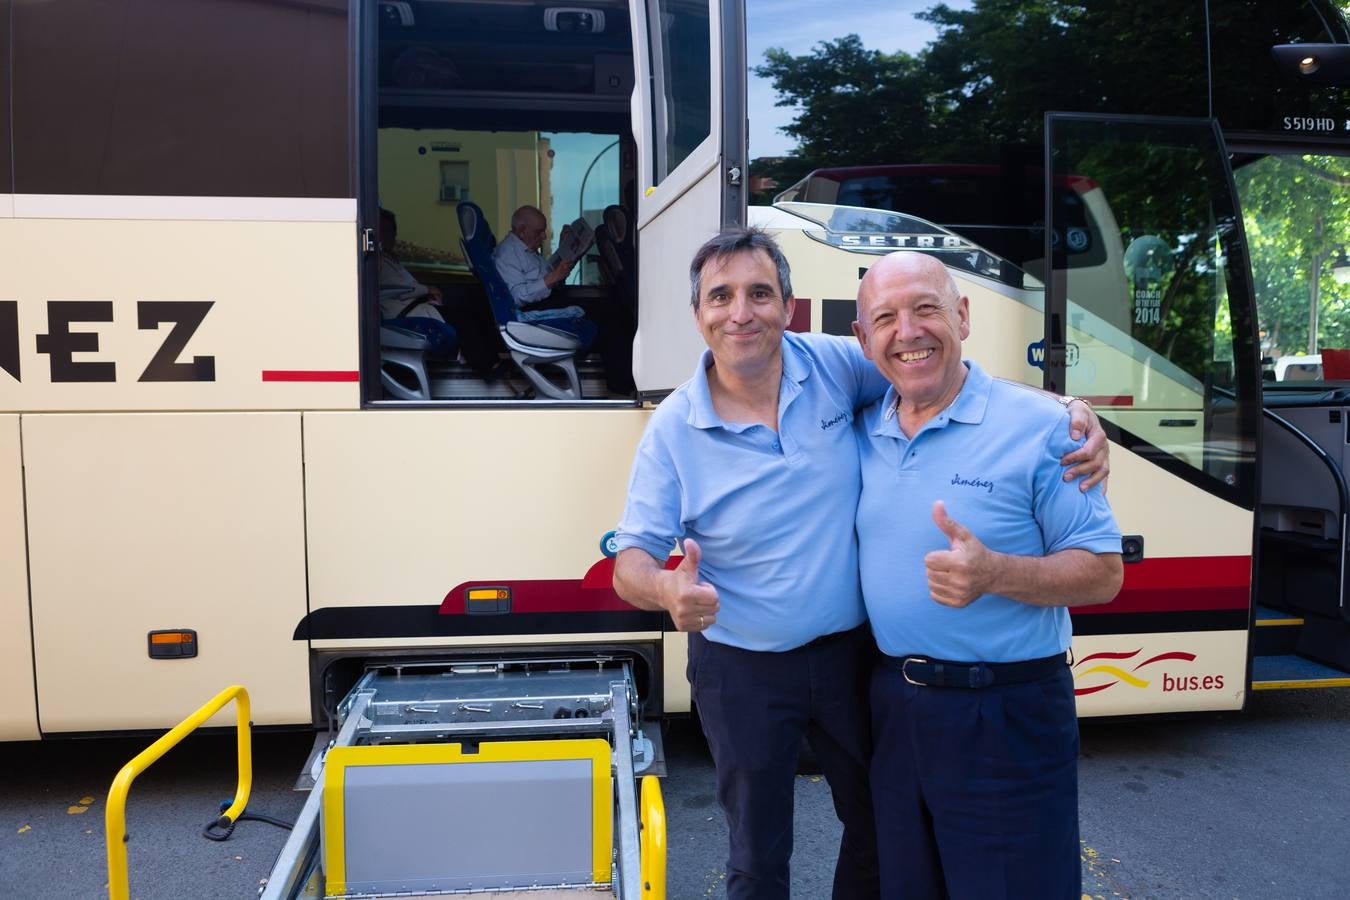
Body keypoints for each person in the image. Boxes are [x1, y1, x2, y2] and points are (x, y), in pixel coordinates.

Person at [610, 228, 1109, 900]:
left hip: (849, 660)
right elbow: (629, 562)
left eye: (760, 293)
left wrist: (1067, 409)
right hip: (742, 669)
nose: (741, 312)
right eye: (720, 296)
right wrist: (667, 588)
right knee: (757, 856)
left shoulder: (832, 366)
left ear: (789, 307)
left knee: (881, 831)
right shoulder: (674, 427)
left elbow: (937, 370)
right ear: (698, 314)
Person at [850, 251, 1124, 899]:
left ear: (963, 316)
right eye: (885, 318)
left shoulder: (1045, 428)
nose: (907, 332)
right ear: (863, 341)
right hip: (895, 709)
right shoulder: (863, 427)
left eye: (926, 309)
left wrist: (994, 573)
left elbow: (1102, 573)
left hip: (1006, 711)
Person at [494, 205, 636, 394]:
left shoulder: (525, 250)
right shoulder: (507, 255)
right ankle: (621, 386)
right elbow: (517, 297)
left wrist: (563, 249)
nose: (544, 237)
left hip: (545, 300)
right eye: (539, 232)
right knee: (608, 320)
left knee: (612, 308)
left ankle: (622, 382)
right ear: (521, 231)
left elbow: (542, 275)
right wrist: (552, 277)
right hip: (530, 312)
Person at [378, 208, 502, 372]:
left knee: (470, 314)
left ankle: (487, 361)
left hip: (417, 306)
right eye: (384, 230)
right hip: (404, 312)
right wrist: (427, 289)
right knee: (465, 319)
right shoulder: (378, 260)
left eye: (392, 229)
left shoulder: (390, 258)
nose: (390, 234)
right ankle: (488, 367)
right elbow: (396, 286)